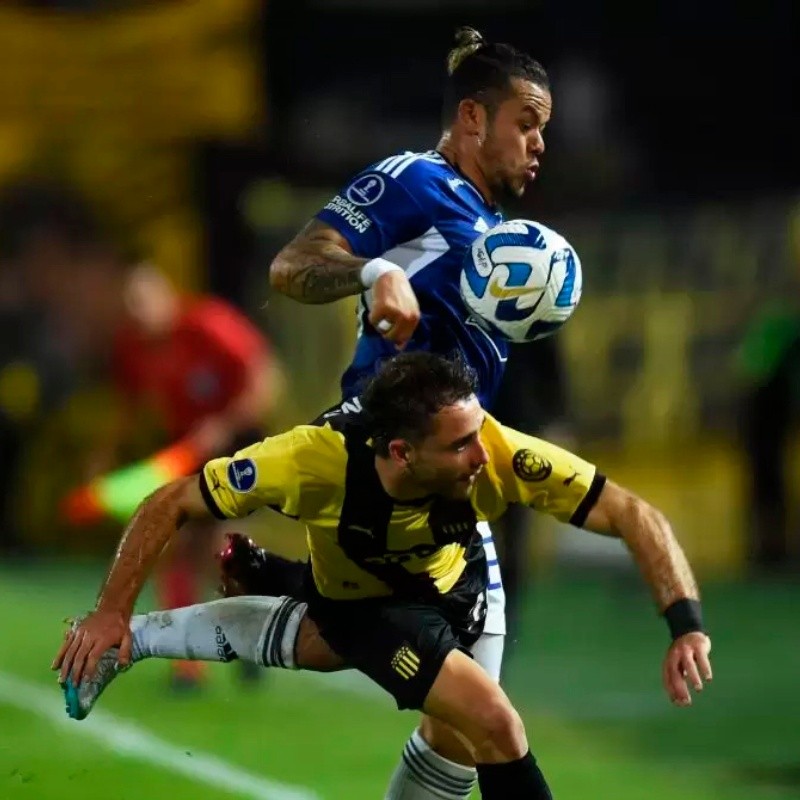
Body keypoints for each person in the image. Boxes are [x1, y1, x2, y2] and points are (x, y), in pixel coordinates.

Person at [53, 352, 713, 800]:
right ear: (400, 451)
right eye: (459, 445)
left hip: (460, 585)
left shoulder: (498, 453)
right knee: (497, 725)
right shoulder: (308, 463)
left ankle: (144, 639)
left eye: (478, 433)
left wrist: (685, 623)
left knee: (451, 740)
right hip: (370, 605)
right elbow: (169, 502)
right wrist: (109, 607)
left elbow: (631, 511)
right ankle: (133, 634)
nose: (481, 453)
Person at [216, 26, 553, 799]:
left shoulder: (494, 226)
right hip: (383, 464)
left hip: (449, 482)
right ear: (474, 117)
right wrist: (373, 270)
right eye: (526, 123)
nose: (538, 144)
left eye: (544, 130)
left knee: (462, 736)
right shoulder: (414, 183)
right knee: (487, 726)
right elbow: (293, 265)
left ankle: (287, 581)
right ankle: (276, 588)